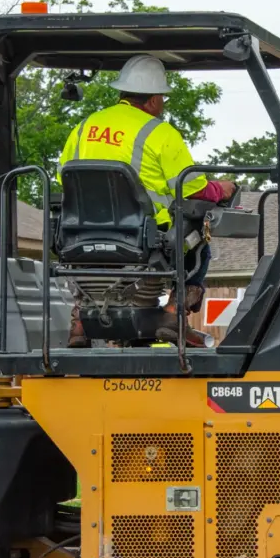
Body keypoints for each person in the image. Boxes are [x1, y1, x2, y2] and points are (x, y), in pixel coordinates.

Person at [58, 54, 236, 347]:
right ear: (153, 100)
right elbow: (192, 188)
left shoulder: (84, 127)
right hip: (144, 238)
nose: (162, 106)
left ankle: (79, 321)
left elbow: (64, 176)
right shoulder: (160, 132)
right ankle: (172, 313)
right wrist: (221, 190)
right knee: (200, 239)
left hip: (78, 235)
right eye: (162, 99)